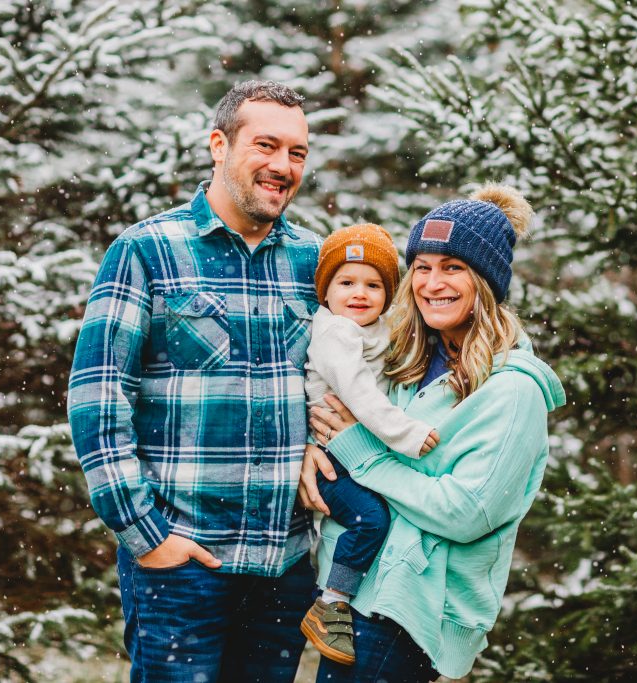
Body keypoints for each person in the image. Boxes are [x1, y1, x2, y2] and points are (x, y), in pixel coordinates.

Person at [68, 81, 322, 683]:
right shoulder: (148, 250)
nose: (282, 167)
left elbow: (342, 381)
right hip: (181, 566)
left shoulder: (316, 261)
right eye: (266, 146)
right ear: (218, 145)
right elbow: (98, 399)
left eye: (297, 153)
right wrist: (147, 534)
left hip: (283, 569)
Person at [302, 185, 567, 682]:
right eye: (422, 267)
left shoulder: (512, 393)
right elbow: (331, 411)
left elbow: (465, 513)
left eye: (452, 267)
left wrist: (362, 454)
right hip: (359, 594)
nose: (431, 282)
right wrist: (313, 452)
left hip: (411, 610)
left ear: (485, 281)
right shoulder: (404, 363)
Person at [299, 223, 440, 665]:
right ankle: (332, 603)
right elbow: (360, 393)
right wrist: (408, 434)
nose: (359, 293)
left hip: (352, 449)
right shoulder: (335, 334)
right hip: (329, 455)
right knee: (371, 519)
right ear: (326, 291)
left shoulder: (373, 328)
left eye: (373, 284)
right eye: (346, 282)